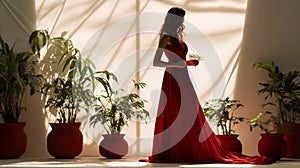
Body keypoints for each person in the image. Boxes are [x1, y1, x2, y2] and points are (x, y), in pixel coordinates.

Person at [140, 7, 274, 164]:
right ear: (173, 19)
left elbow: (179, 61)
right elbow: (157, 62)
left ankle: (190, 147)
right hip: (172, 80)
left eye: (183, 18)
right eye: (180, 18)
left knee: (190, 113)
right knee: (175, 113)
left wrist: (189, 63)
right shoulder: (165, 37)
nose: (182, 21)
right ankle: (176, 150)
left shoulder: (177, 37)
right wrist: (178, 64)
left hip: (184, 79)